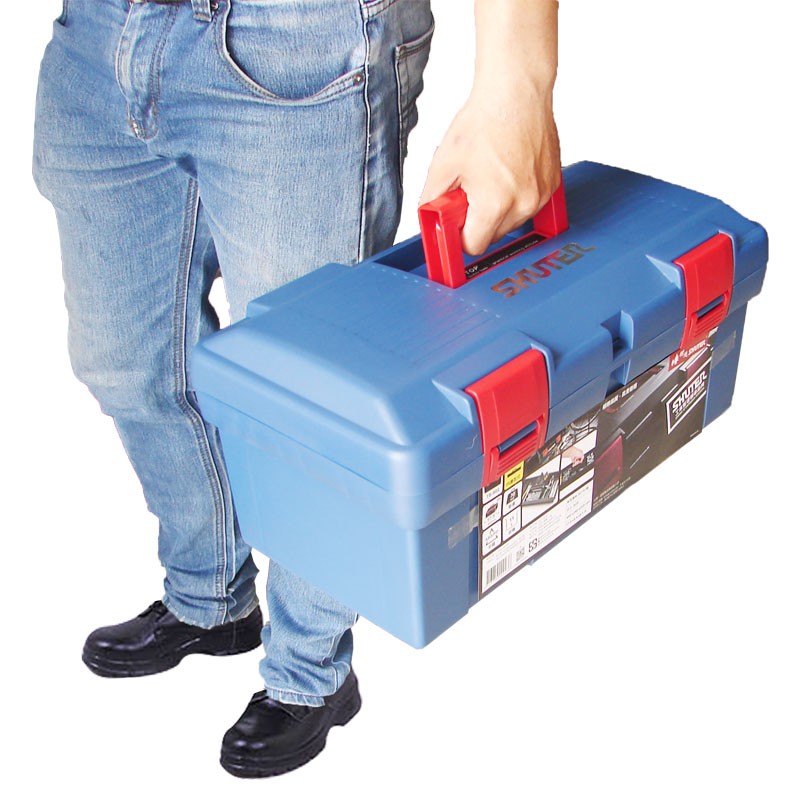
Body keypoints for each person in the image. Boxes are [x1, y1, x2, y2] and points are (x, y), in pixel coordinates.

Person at [33, 0, 560, 779]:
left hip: (300, 40)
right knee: (127, 361)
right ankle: (209, 598)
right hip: (101, 35)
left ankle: (311, 670)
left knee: (309, 400)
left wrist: (518, 80)